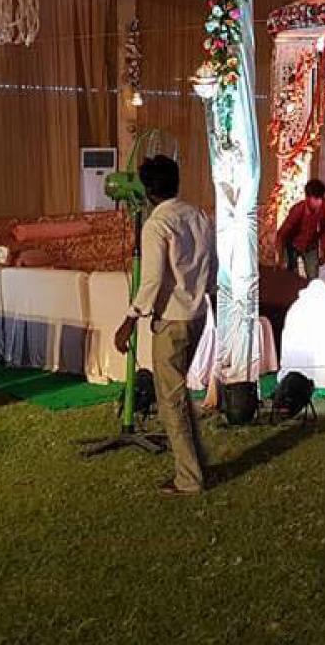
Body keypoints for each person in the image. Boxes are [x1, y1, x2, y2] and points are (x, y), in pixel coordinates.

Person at [113, 154, 216, 496]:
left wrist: (130, 320)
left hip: (172, 320)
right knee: (178, 395)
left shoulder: (157, 225)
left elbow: (152, 279)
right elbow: (211, 265)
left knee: (171, 401)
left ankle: (189, 478)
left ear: (147, 191)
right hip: (197, 315)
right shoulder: (198, 215)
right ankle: (195, 464)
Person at [276, 178, 325, 280]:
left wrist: (323, 250)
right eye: (316, 198)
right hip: (292, 246)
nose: (319, 202)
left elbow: (324, 228)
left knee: (313, 278)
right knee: (291, 278)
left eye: (321, 198)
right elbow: (282, 234)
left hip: (310, 245)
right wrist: (280, 257)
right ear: (307, 198)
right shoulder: (297, 211)